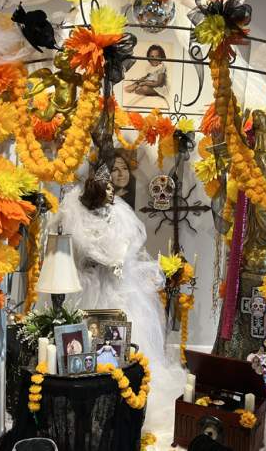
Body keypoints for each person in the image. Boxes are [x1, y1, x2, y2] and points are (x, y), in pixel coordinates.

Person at [51, 163, 185, 431]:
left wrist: (117, 259)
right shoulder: (76, 215)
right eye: (107, 188)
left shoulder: (118, 215)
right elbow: (78, 249)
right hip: (88, 285)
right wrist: (102, 258)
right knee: (84, 339)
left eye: (113, 188)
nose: (112, 192)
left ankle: (122, 396)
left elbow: (128, 245)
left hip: (115, 286)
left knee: (124, 339)